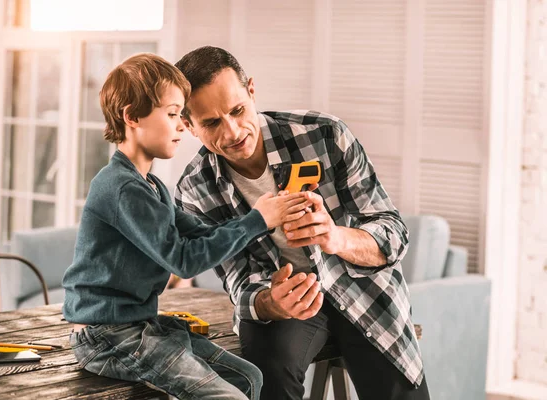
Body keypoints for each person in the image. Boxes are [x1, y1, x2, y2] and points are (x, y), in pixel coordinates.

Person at [174, 46, 431, 400]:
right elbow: (238, 280)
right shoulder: (194, 190)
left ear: (251, 90)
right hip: (288, 302)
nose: (233, 132)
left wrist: (335, 237)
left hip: (363, 290)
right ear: (188, 126)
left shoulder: (325, 135)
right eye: (212, 123)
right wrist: (270, 302)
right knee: (265, 376)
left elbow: (393, 234)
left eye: (237, 110)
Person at [61, 53, 313, 400]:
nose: (182, 126)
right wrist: (258, 219)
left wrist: (265, 217)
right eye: (172, 114)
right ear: (132, 117)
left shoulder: (151, 186)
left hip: (139, 326)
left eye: (181, 115)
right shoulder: (120, 187)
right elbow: (183, 260)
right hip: (106, 336)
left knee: (250, 378)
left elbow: (201, 233)